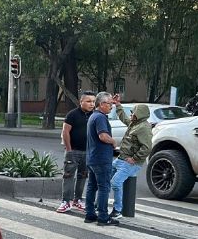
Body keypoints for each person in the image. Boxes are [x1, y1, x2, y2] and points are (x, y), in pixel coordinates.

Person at [110, 99, 152, 220]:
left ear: (140, 114)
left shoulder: (143, 128)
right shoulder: (135, 123)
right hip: (121, 159)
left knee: (116, 183)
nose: (131, 114)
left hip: (129, 163)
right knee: (106, 179)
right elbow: (124, 118)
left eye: (133, 112)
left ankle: (117, 210)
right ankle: (100, 205)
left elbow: (147, 147)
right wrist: (117, 105)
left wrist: (135, 158)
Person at [57, 91, 96, 213]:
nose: (92, 104)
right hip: (73, 151)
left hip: (88, 152)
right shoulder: (72, 115)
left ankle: (77, 200)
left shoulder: (94, 115)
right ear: (81, 102)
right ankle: (65, 201)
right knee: (68, 175)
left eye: (93, 101)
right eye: (89, 101)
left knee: (83, 176)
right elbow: (65, 132)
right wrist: (69, 149)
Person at [84, 92, 119, 226]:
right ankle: (103, 217)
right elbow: (103, 136)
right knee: (104, 187)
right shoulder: (100, 118)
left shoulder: (93, 116)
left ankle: (90, 214)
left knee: (92, 187)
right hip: (101, 158)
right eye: (110, 104)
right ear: (102, 104)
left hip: (92, 157)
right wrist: (113, 142)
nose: (111, 106)